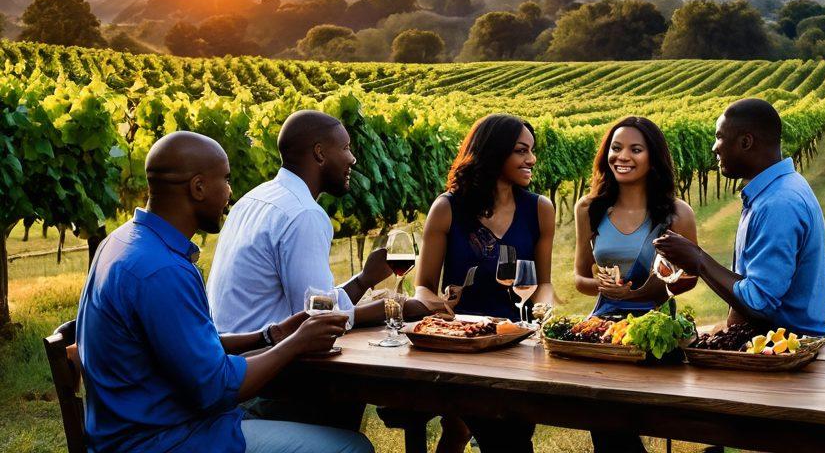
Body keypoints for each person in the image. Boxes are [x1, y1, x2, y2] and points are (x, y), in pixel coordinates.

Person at [76, 131, 372, 453]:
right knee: (352, 447)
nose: (230, 193)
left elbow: (186, 348)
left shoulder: (124, 242)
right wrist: (296, 344)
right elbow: (217, 387)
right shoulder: (163, 271)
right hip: (167, 440)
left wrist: (270, 335)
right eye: (226, 180)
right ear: (198, 187)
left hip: (133, 430)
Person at [207, 109, 440, 428]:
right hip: (266, 387)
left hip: (232, 369)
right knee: (358, 396)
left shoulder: (254, 199)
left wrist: (363, 281)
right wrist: (399, 307)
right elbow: (320, 318)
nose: (354, 159)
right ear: (319, 153)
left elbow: (313, 304)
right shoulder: (303, 213)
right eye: (345, 148)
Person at [412, 113, 556, 453]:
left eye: (532, 151)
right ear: (495, 152)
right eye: (522, 151)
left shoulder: (540, 209)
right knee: (507, 441)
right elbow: (423, 286)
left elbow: (544, 283)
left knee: (490, 431)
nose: (531, 159)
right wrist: (441, 305)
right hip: (464, 345)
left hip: (518, 342)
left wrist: (544, 307)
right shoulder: (447, 208)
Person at [654, 98, 825, 337]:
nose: (714, 147)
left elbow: (759, 304)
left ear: (746, 142)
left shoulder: (778, 203)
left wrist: (697, 259)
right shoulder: (775, 190)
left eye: (719, 137)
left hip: (784, 351)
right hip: (764, 342)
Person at [573, 116, 698, 453]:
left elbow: (691, 276)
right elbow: (579, 277)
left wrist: (651, 289)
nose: (622, 156)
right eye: (616, 148)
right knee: (604, 422)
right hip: (604, 330)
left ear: (652, 157)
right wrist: (601, 287)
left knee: (629, 420)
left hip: (655, 330)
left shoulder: (676, 213)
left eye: (635, 149)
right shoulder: (589, 208)